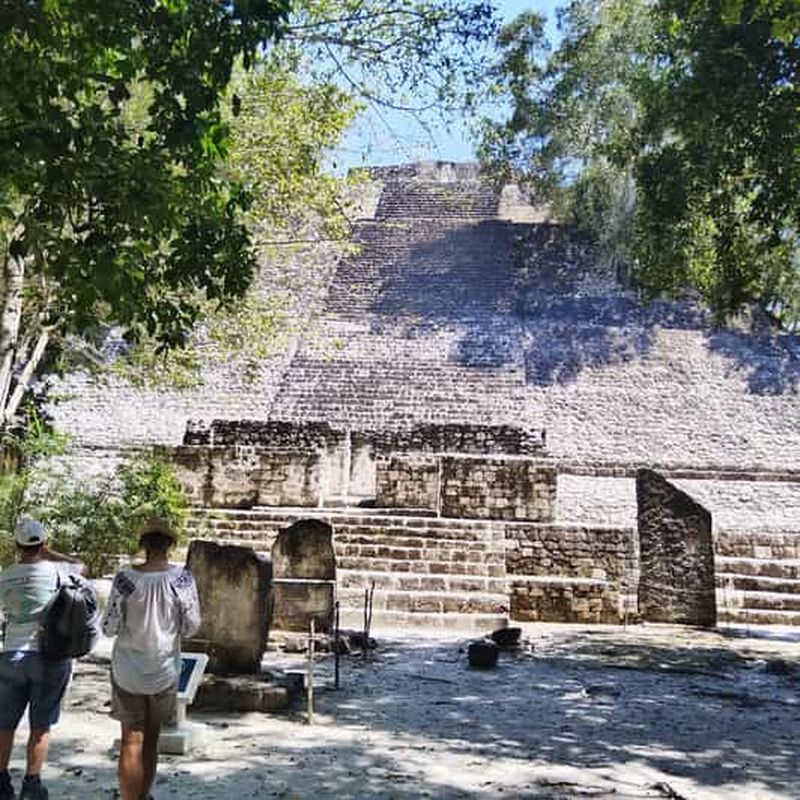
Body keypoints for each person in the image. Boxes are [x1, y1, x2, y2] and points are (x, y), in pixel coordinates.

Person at [101, 518, 200, 800]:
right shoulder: (182, 580)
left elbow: (108, 627)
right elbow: (192, 625)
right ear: (170, 545)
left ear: (143, 545)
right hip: (164, 669)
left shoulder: (125, 579)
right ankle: (143, 795)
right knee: (152, 739)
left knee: (130, 739)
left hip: (127, 670)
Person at [0, 516, 86, 800]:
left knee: (4, 723)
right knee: (41, 724)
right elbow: (81, 567)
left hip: (11, 653)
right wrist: (51, 554)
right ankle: (32, 784)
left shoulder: (6, 575)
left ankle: (1, 782)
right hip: (49, 655)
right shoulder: (57, 571)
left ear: (17, 545)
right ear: (42, 543)